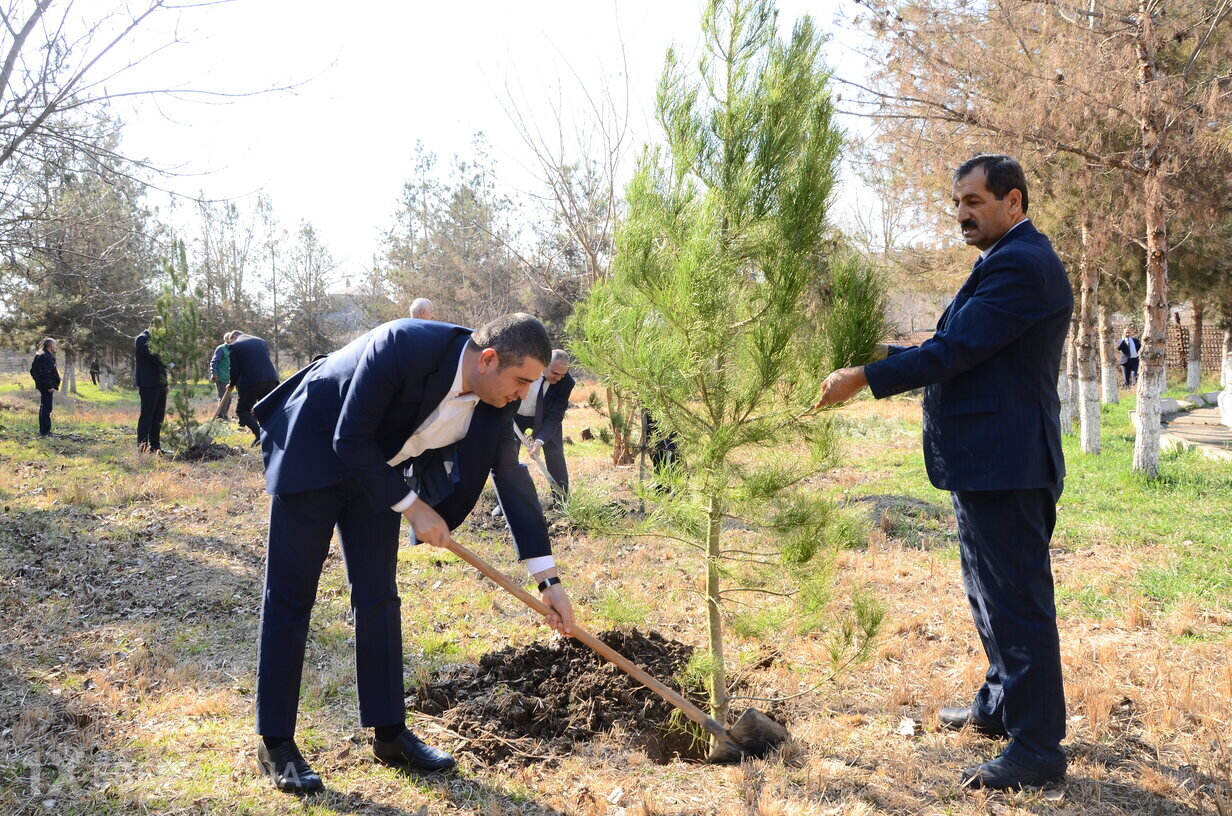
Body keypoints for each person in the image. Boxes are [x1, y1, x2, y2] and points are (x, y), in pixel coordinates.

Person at [815, 155, 1072, 790]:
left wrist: (868, 376)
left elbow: (957, 351)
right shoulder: (1001, 261)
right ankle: (1002, 705)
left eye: (975, 201)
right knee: (988, 594)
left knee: (1017, 604)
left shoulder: (1021, 264)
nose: (962, 214)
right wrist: (874, 354)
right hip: (986, 462)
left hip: (1006, 464)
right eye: (957, 202)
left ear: (1014, 202)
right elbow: (959, 348)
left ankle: (1037, 748)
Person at [250, 313, 575, 793]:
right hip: (314, 448)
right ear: (488, 360)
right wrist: (413, 507)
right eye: (522, 381)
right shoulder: (404, 344)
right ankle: (275, 742)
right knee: (292, 597)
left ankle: (389, 734)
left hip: (378, 467)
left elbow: (511, 479)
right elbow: (348, 437)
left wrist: (548, 580)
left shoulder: (497, 397)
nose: (524, 395)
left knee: (379, 596)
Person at [514, 348, 574, 502]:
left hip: (545, 416)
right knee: (507, 454)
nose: (559, 378)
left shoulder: (566, 382)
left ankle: (561, 501)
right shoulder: (526, 367)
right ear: (545, 363)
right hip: (515, 415)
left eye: (563, 374)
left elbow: (556, 415)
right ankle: (504, 502)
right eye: (555, 373)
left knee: (555, 452)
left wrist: (539, 441)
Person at [227, 331, 279, 444]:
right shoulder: (261, 341)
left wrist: (231, 384)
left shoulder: (234, 345)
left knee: (242, 410)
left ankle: (260, 435)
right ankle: (272, 435)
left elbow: (234, 369)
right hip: (271, 379)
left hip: (252, 381)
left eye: (230, 340)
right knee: (265, 409)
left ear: (233, 337)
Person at [134, 318, 169, 454]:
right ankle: (142, 447)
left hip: (160, 384)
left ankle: (155, 447)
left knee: (158, 416)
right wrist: (173, 364)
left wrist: (165, 383)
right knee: (147, 416)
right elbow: (156, 358)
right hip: (148, 384)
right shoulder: (142, 339)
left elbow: (161, 366)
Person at [30, 338, 61, 437]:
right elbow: (45, 373)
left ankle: (44, 431)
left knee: (44, 407)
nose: (56, 347)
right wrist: (49, 386)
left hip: (43, 385)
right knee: (46, 408)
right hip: (46, 386)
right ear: (50, 346)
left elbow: (32, 371)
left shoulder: (41, 354)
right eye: (55, 344)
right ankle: (45, 432)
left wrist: (38, 382)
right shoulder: (45, 356)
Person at [209, 331, 237, 420]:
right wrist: (214, 373)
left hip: (229, 378)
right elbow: (214, 362)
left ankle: (224, 415)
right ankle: (220, 417)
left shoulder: (233, 349)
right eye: (231, 339)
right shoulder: (221, 348)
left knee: (229, 399)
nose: (233, 340)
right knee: (223, 398)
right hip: (221, 377)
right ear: (226, 339)